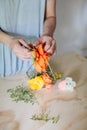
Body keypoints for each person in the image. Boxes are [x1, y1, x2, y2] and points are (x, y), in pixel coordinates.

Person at [0, 0, 56, 77]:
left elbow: (50, 16)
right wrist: (10, 42)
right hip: (5, 56)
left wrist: (47, 34)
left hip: (37, 55)